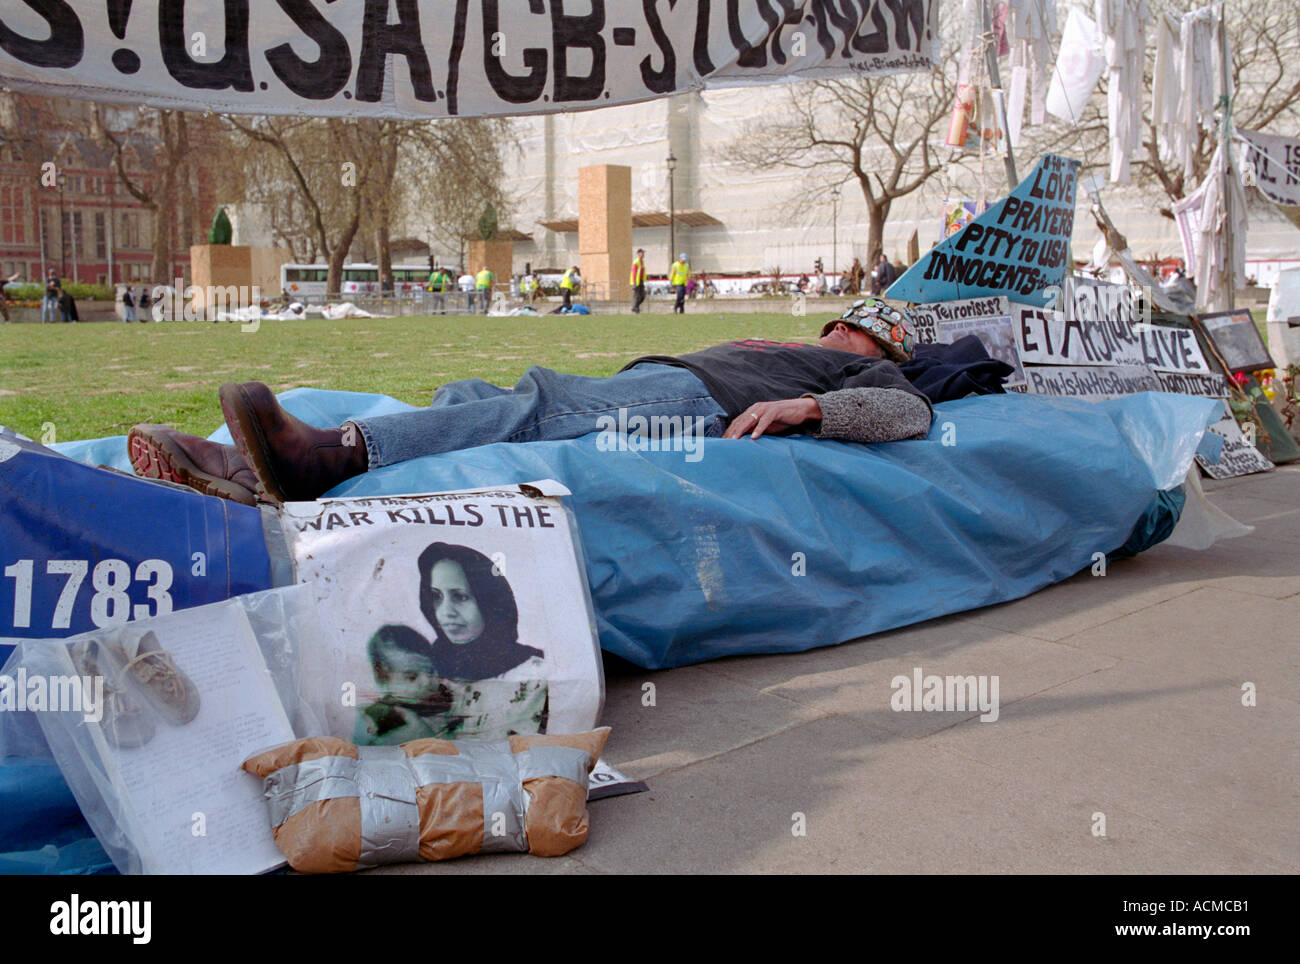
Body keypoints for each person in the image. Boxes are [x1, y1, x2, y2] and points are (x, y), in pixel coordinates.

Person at [128, 300, 931, 506]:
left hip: (694, 399)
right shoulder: (787, 346)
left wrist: (807, 411)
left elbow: (910, 417)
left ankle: (322, 457)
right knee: (479, 398)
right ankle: (245, 472)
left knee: (537, 411)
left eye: (863, 332)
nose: (845, 332)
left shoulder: (856, 378)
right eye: (845, 324)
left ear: (881, 348)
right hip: (657, 379)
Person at [354, 542, 547, 744]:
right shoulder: (430, 663)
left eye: (461, 597)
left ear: (489, 601)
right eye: (436, 597)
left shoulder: (531, 675)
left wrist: (425, 738)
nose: (446, 612)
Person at [629, 248, 647, 313]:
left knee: (643, 295)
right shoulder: (636, 262)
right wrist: (634, 282)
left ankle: (635, 307)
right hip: (636, 281)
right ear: (639, 254)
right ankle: (636, 309)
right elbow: (634, 273)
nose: (643, 254)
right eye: (642, 253)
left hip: (641, 280)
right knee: (636, 296)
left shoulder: (642, 262)